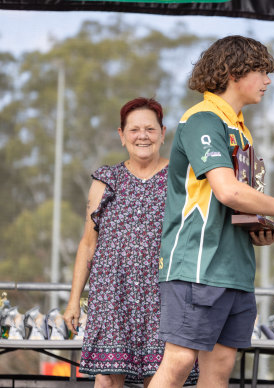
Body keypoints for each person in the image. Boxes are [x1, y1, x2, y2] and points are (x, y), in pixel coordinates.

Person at [149, 36, 274, 388]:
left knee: (219, 367)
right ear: (235, 72)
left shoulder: (240, 127)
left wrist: (260, 228)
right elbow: (228, 190)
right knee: (180, 360)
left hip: (234, 269)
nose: (267, 81)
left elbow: (239, 203)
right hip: (197, 265)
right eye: (262, 72)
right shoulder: (202, 119)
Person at [64, 98, 198, 387]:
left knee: (159, 378)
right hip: (112, 295)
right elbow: (88, 244)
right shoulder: (106, 180)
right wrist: (74, 300)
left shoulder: (181, 178)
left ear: (163, 134)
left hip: (163, 294)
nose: (143, 136)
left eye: (150, 129)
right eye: (134, 129)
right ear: (122, 135)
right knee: (108, 381)